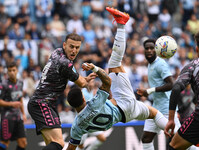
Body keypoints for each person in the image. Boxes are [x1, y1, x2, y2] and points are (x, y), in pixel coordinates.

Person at [66, 7, 170, 150]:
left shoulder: (76, 126)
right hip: (123, 102)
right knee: (114, 63)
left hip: (125, 117)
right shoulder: (93, 104)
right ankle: (121, 24)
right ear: (84, 99)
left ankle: (182, 139)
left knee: (154, 114)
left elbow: (71, 147)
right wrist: (95, 68)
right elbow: (107, 82)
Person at [27, 33, 96, 150]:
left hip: (45, 103)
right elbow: (82, 83)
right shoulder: (65, 63)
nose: (74, 50)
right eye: (71, 46)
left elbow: (77, 78)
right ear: (65, 45)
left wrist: (83, 79)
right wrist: (92, 73)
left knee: (52, 144)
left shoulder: (57, 52)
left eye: (77, 48)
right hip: (42, 103)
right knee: (59, 143)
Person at [137, 38, 181, 150]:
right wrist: (147, 91)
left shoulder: (160, 64)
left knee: (180, 139)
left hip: (166, 108)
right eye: (146, 48)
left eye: (152, 48)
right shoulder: (151, 64)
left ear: (157, 50)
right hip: (156, 108)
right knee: (146, 138)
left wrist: (150, 91)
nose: (149, 50)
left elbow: (171, 84)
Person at [164, 31, 199, 149]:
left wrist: (170, 119)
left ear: (197, 49)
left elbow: (176, 88)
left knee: (173, 146)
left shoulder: (192, 66)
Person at [0, 62, 27, 150]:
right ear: (7, 72)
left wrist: (23, 114)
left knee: (23, 142)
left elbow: (20, 99)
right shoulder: (3, 84)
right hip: (7, 117)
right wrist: (12, 103)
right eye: (10, 71)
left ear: (17, 71)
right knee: (4, 143)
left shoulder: (20, 83)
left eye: (13, 70)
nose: (12, 72)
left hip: (18, 117)